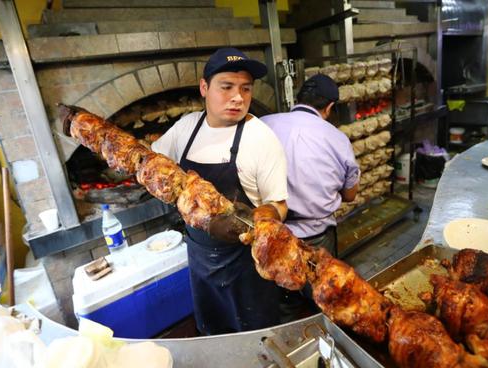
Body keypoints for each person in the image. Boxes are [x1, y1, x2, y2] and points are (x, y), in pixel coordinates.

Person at [151, 47, 289, 335]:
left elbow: (279, 205)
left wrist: (257, 220)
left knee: (256, 339)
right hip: (199, 257)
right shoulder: (186, 127)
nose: (238, 97)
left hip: (246, 268)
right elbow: (152, 165)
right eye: (226, 87)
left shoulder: (260, 138)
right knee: (211, 331)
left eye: (246, 89)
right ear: (204, 88)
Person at [261, 74, 360, 323]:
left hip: (274, 235)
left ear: (299, 99)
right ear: (329, 107)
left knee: (285, 303)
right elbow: (350, 195)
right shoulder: (337, 138)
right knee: (325, 299)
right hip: (317, 236)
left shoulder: (263, 124)